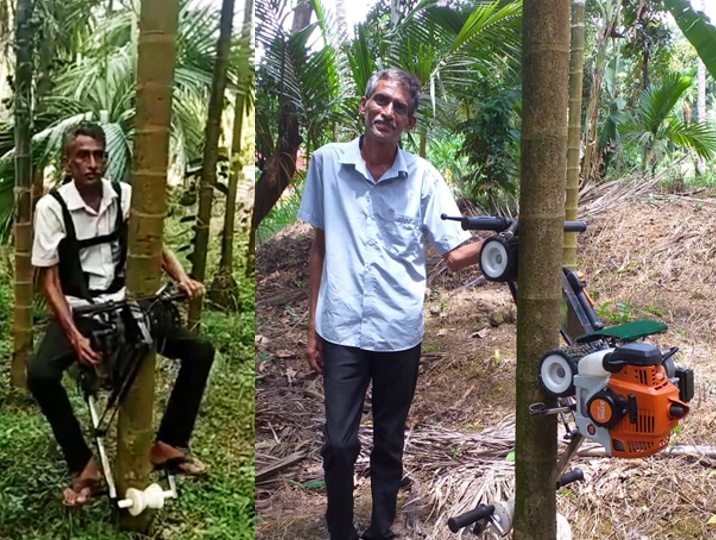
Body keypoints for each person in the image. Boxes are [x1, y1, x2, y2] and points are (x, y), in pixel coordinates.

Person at [297, 68, 483, 540]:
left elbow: (456, 255)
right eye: (381, 101)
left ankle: (381, 530)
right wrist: (311, 325)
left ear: (410, 123)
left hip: (399, 333)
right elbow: (319, 247)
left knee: (388, 440)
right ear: (364, 105)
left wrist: (505, 241)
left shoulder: (423, 178)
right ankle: (339, 529)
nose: (387, 112)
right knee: (338, 443)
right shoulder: (325, 164)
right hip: (341, 328)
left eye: (399, 107)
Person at [27, 122, 215, 506]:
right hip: (79, 311)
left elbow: (152, 243)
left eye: (98, 155)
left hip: (124, 304)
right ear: (69, 161)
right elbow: (48, 282)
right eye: (83, 156)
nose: (92, 163)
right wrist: (75, 336)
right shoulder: (53, 207)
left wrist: (181, 278)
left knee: (199, 350)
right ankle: (83, 464)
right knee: (41, 374)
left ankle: (167, 444)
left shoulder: (121, 194)